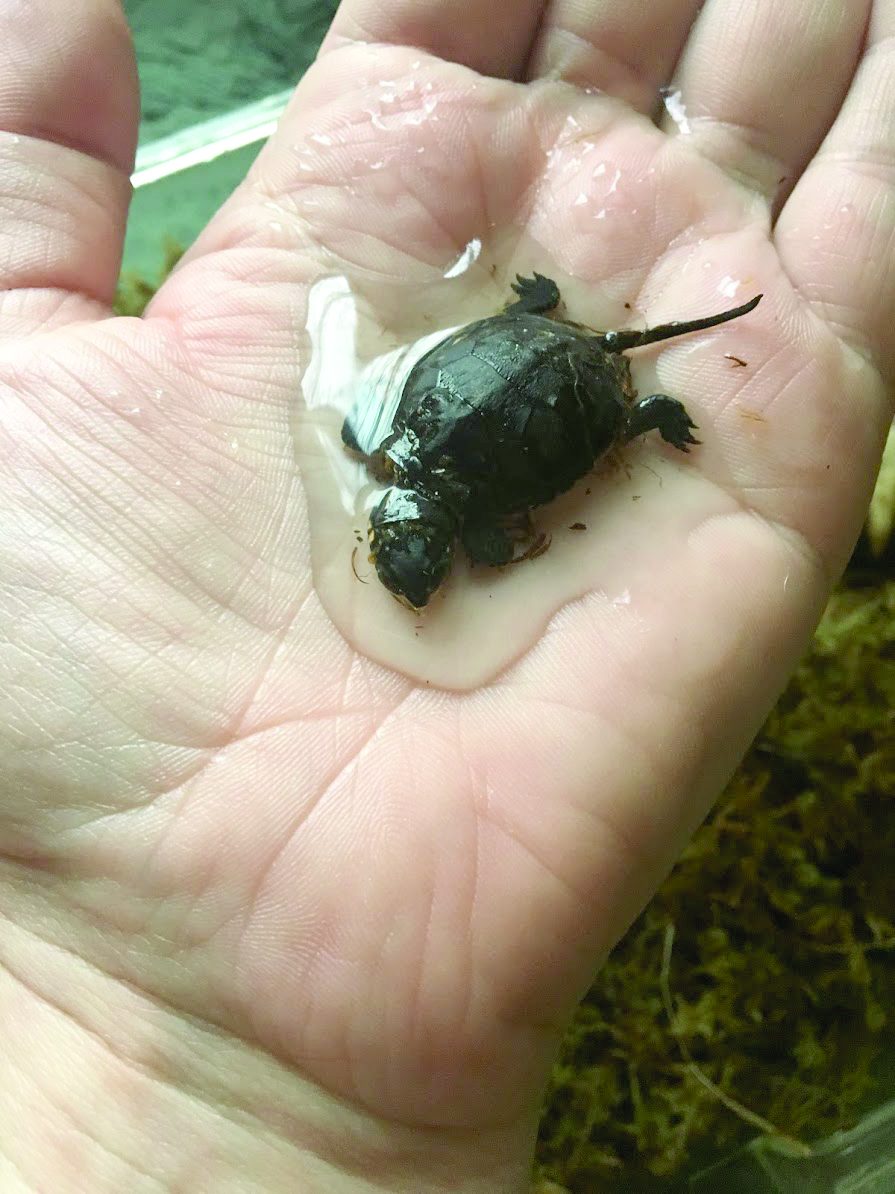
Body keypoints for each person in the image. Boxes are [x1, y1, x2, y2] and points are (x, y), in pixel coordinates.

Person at [1, 0, 892, 1190]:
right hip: (545, 341)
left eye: (407, 564)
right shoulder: (407, 451)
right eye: (413, 567)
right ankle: (614, 381)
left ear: (402, 526)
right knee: (556, 387)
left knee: (613, 404)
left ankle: (651, 408)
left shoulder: (416, 460)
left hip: (570, 369)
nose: (416, 578)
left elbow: (470, 437)